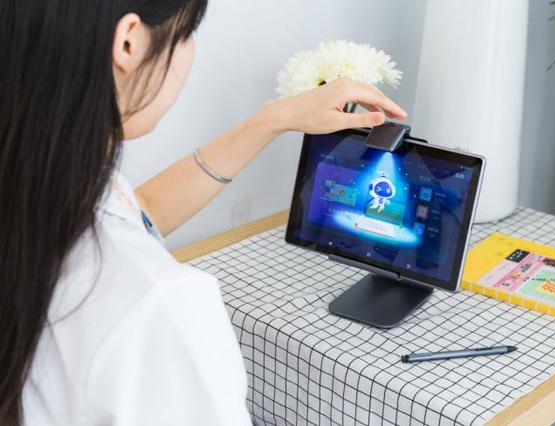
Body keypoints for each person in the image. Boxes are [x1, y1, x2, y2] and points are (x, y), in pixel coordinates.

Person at [0, 1, 407, 425]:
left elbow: (134, 212)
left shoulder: (39, 193)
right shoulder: (161, 305)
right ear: (129, 43)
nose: (190, 50)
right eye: (186, 32)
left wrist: (272, 119)